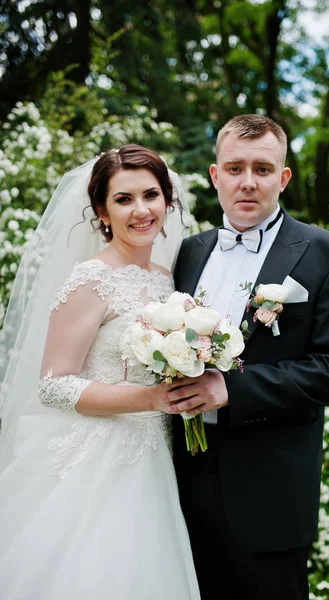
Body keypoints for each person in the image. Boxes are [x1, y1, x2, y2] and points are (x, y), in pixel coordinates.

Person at [166, 114, 329, 599]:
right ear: (215, 176)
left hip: (270, 490)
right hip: (179, 485)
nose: (247, 182)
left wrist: (232, 389)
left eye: (262, 168)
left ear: (283, 177)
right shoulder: (189, 252)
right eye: (234, 168)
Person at [0, 144, 200, 599]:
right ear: (101, 212)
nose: (141, 210)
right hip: (97, 460)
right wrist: (150, 400)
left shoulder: (170, 278)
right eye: (123, 199)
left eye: (150, 195)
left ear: (168, 202)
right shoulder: (90, 279)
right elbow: (53, 385)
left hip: (156, 459)